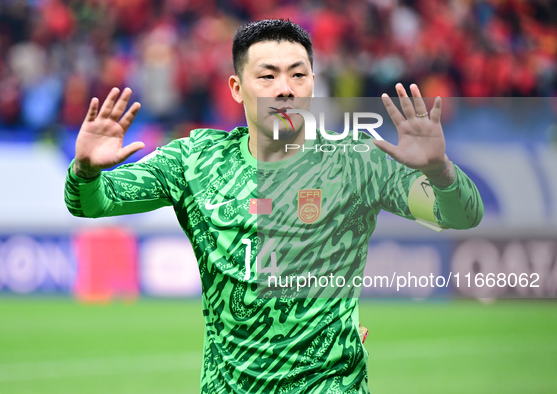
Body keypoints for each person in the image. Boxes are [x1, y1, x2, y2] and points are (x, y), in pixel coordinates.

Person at [65, 19, 483, 394]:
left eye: (298, 74)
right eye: (267, 75)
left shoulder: (357, 160)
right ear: (236, 87)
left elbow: (461, 215)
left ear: (312, 84)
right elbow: (92, 203)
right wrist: (84, 170)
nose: (285, 87)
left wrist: (441, 171)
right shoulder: (196, 160)